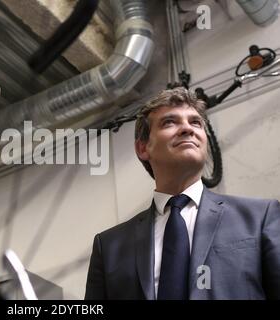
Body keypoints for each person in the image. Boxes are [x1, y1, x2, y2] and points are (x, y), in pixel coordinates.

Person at [85, 87, 280, 300]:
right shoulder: (109, 246)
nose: (188, 129)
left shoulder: (260, 217)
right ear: (143, 148)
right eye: (170, 122)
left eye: (196, 122)